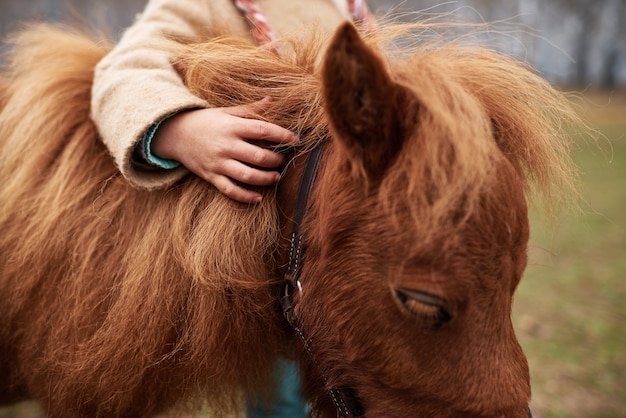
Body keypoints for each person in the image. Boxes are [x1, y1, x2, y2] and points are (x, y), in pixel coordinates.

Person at [90, 0, 372, 416]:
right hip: (273, 256)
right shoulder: (206, 4)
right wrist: (181, 129)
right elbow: (124, 71)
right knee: (285, 388)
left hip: (350, 244)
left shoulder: (346, 7)